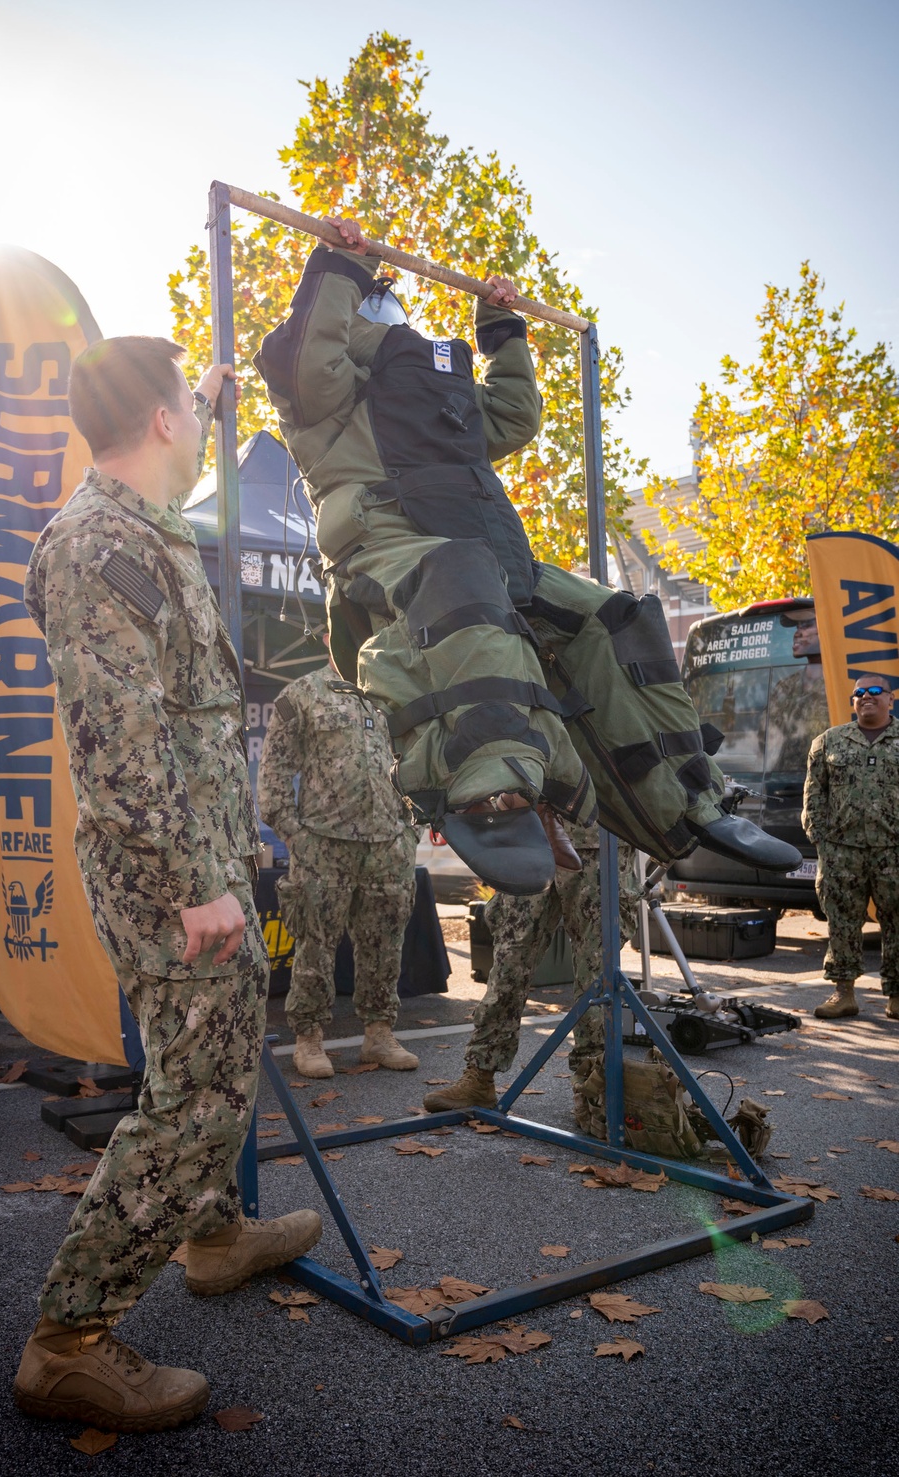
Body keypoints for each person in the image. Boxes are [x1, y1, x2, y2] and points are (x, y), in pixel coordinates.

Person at [254, 218, 799, 895]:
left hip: (481, 549)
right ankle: (493, 789)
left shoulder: (428, 398)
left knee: (614, 616)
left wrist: (501, 332)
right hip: (386, 549)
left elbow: (512, 415)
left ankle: (687, 794)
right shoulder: (320, 395)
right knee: (459, 577)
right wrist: (339, 264)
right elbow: (312, 357)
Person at [16, 338, 322, 1433]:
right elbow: (118, 745)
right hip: (170, 873)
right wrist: (199, 884)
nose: (198, 420)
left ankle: (210, 1233)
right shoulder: (99, 544)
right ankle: (67, 1340)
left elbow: (182, 442)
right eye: (186, 404)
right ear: (156, 420)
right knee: (193, 1099)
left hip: (197, 854)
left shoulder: (144, 514)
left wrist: (213, 391)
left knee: (213, 1066)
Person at [258, 640, 420, 1076]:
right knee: (315, 947)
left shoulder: (395, 694)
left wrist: (412, 830)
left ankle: (379, 1035)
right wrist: (296, 837)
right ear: (331, 634)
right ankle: (309, 1040)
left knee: (385, 946)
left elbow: (423, 763)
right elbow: (273, 776)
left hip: (388, 845)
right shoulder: (302, 695)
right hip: (323, 845)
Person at [422, 821, 639, 1118]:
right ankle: (480, 1076)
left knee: (596, 975)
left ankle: (594, 1088)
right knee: (509, 962)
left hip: (598, 840)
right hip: (531, 837)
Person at [802, 671, 899, 1021]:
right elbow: (814, 793)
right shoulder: (829, 742)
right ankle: (843, 994)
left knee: (897, 922)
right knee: (841, 922)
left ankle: (897, 997)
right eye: (859, 693)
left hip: (894, 849)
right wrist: (822, 839)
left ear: (891, 698)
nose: (866, 697)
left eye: (876, 691)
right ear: (852, 701)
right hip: (842, 850)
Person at [764, 609, 829, 772]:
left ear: (827, 629)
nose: (797, 633)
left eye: (806, 626)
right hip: (784, 783)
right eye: (797, 627)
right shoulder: (785, 686)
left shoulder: (841, 683)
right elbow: (767, 738)